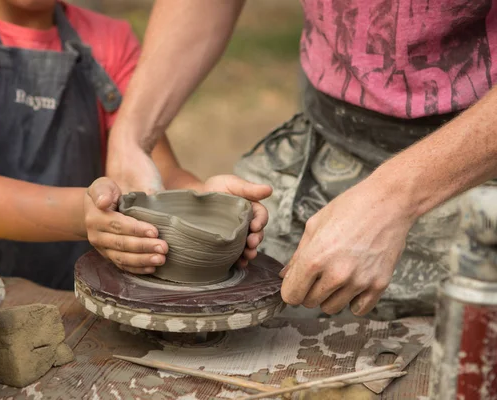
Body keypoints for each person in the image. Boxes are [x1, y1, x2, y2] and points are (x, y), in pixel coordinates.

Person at [102, 1, 497, 320]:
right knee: (254, 276)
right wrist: (131, 137)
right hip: (329, 133)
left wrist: (393, 198)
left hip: (477, 158)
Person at [0, 0, 271, 290]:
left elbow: (156, 172)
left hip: (69, 298)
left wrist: (202, 201)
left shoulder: (109, 39)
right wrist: (85, 215)